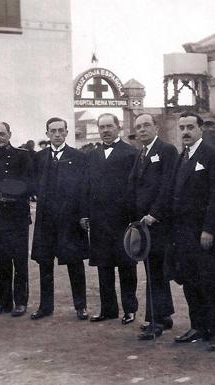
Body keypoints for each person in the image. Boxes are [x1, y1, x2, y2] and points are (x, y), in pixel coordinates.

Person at [163, 112, 215, 351]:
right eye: (182, 128)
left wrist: (210, 229)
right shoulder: (183, 156)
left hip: (202, 233)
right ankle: (198, 326)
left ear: (201, 129)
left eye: (190, 127)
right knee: (190, 281)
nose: (185, 132)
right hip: (182, 234)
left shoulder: (212, 156)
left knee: (209, 280)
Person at [80, 113, 138, 325]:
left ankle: (130, 309)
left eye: (109, 126)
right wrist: (85, 213)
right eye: (102, 127)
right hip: (98, 220)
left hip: (122, 220)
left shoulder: (131, 153)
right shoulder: (93, 155)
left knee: (126, 266)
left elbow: (134, 188)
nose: (105, 130)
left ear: (118, 128)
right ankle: (108, 309)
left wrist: (133, 218)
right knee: (104, 266)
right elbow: (86, 186)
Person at [30, 117, 88, 321]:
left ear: (66, 133)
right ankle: (46, 306)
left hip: (69, 221)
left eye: (60, 130)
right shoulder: (39, 157)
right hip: (46, 220)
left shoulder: (78, 157)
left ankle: (80, 306)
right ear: (47, 134)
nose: (56, 134)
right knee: (45, 263)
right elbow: (35, 184)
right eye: (52, 131)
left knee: (74, 262)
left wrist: (82, 215)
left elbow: (83, 189)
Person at [127, 113, 177, 340]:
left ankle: (155, 321)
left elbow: (168, 186)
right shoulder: (142, 153)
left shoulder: (166, 151)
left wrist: (154, 214)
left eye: (147, 125)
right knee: (152, 270)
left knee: (155, 272)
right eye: (139, 127)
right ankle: (164, 316)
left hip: (159, 224)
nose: (142, 130)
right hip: (144, 224)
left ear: (155, 127)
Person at [0, 122, 33, 317]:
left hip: (17, 217)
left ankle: (20, 302)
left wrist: (10, 191)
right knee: (1, 262)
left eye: (2, 133)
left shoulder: (22, 156)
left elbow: (29, 184)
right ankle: (3, 302)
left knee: (19, 261)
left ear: (10, 134)